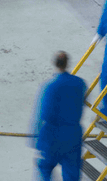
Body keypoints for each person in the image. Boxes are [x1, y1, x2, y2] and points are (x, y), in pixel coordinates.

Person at [33, 52, 86, 181]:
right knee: (72, 173)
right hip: (73, 136)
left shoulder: (50, 86)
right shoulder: (80, 84)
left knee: (45, 169)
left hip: (53, 137)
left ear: (54, 63)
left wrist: (37, 139)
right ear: (68, 63)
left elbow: (43, 114)